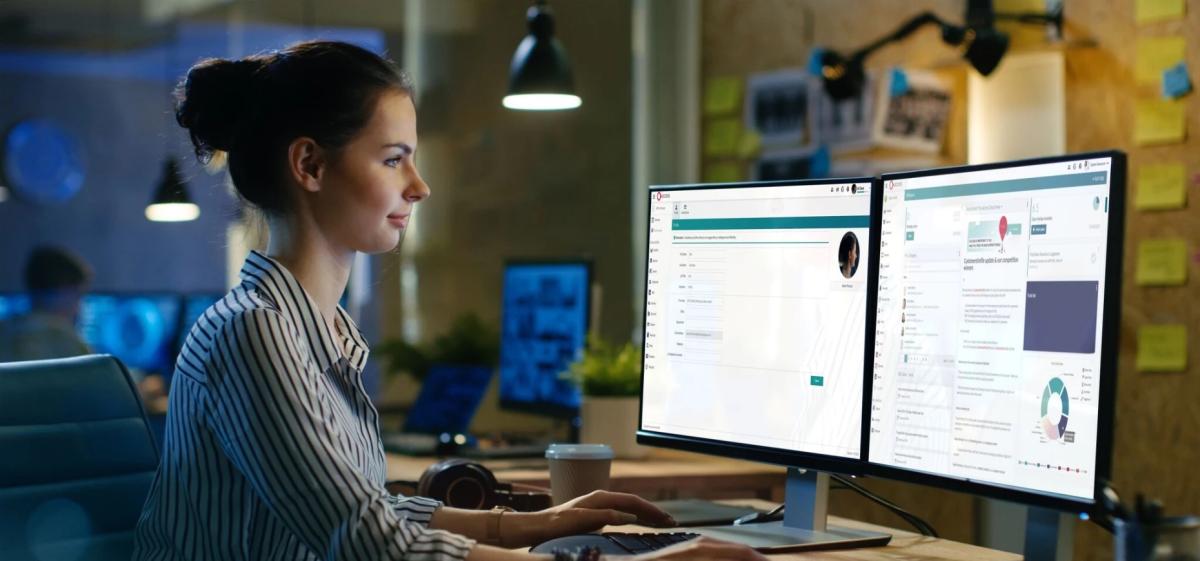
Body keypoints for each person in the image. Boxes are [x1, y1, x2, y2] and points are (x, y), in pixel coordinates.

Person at [132, 41, 765, 561]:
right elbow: (369, 542)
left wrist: (539, 525)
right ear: (310, 165)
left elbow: (365, 506)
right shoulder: (254, 333)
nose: (420, 186)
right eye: (393, 160)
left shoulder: (309, 330)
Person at [0, 246, 92, 362]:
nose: (79, 307)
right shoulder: (64, 340)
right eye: (79, 295)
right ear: (64, 289)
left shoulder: (4, 331)